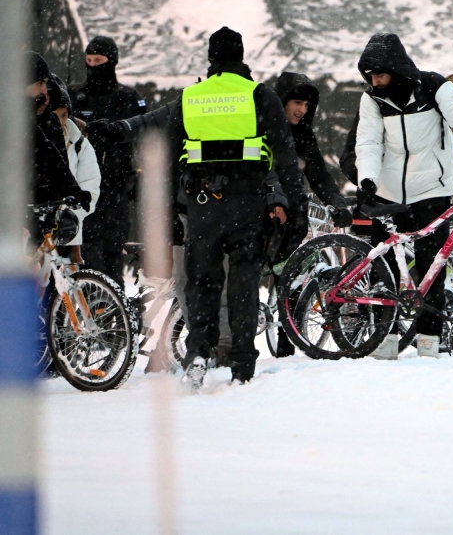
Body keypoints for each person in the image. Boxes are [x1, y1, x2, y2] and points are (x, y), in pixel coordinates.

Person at [92, 27, 306, 388]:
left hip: (202, 205)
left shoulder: (191, 98)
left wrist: (114, 129)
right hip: (247, 203)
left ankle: (199, 352)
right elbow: (285, 156)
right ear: (241, 57)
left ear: (211, 59)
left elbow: (154, 132)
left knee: (202, 283)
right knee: (243, 284)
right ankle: (241, 364)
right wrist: (295, 207)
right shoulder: (260, 96)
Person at [355, 33, 453, 359]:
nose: (376, 82)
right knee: (384, 267)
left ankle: (428, 342)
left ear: (395, 67)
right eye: (371, 77)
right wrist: (367, 180)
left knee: (432, 265)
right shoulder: (373, 99)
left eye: (381, 74)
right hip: (388, 190)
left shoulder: (434, 87)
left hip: (432, 189)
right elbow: (368, 142)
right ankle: (385, 341)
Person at [71, 36, 146, 286]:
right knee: (88, 254)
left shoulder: (128, 98)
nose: (93, 66)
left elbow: (145, 139)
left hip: (116, 188)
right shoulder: (75, 96)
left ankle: (114, 314)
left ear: (111, 62)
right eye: (89, 60)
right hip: (83, 188)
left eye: (99, 61)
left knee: (113, 253)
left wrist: (137, 176)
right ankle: (95, 309)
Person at [273, 72, 353, 220]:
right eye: (297, 102)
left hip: (293, 220)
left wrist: (337, 203)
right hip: (260, 217)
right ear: (282, 101)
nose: (303, 110)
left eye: (307, 105)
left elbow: (319, 176)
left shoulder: (304, 136)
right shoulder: (261, 130)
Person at [48, 75, 101, 261]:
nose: (61, 121)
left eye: (64, 115)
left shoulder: (78, 142)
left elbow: (90, 184)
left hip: (69, 235)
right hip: (31, 233)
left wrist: (72, 215)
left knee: (68, 285)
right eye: (55, 115)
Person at [26, 52, 85, 212]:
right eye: (39, 82)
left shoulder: (26, 115)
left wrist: (72, 189)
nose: (44, 89)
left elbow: (45, 152)